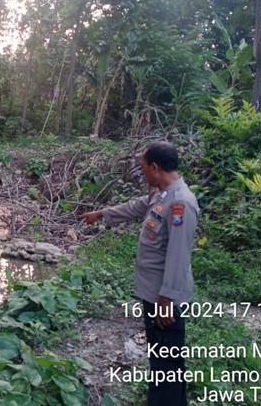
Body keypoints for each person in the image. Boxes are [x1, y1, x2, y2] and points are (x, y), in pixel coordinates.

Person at [78, 141, 199, 406]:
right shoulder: (162, 194)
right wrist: (101, 214)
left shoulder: (180, 203)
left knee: (165, 363)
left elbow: (178, 257)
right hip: (154, 294)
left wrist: (166, 301)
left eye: (144, 168)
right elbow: (136, 207)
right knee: (165, 358)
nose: (142, 173)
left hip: (164, 300)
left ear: (155, 167)